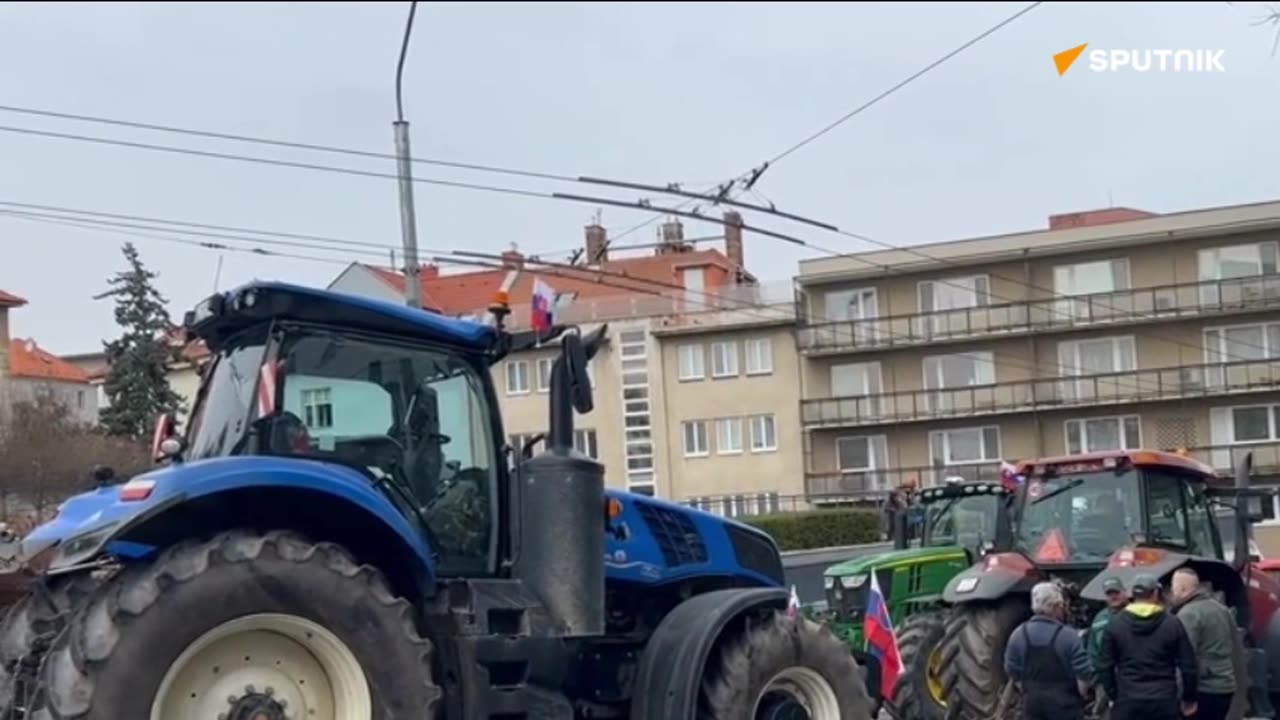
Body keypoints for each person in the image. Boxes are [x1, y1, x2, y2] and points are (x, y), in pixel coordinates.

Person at [1098, 573, 1199, 720]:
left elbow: (1104, 666)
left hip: (1128, 700)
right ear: (1155, 594)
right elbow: (1188, 666)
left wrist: (1114, 694)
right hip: (1164, 700)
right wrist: (1189, 697)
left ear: (1132, 595)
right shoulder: (1172, 624)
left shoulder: (1114, 625)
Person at [1004, 582, 1093, 720]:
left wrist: (1028, 690)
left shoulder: (1018, 634)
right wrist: (1082, 694)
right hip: (1065, 707)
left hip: (1032, 707)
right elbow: (1083, 673)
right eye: (1062, 606)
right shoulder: (1068, 636)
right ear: (1056, 606)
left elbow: (1012, 670)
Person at [1170, 568, 1237, 720]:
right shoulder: (1221, 609)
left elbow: (1185, 658)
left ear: (1182, 589)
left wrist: (1184, 696)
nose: (1172, 593)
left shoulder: (1188, 614)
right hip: (1226, 683)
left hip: (1204, 688)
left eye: (1173, 587)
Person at [1087, 577, 1129, 714]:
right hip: (1105, 678)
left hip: (1130, 678)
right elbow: (1096, 650)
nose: (1113, 597)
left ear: (1125, 592)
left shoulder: (1134, 613)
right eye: (1109, 594)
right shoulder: (1100, 619)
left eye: (1116, 592)